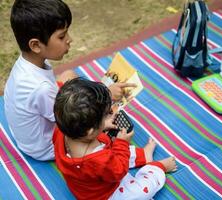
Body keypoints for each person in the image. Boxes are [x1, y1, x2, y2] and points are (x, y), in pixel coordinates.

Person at [4, 0, 135, 161]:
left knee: (69, 74)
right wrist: (106, 95)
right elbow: (75, 118)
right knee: (96, 133)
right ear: (36, 45)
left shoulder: (28, 63)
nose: (69, 39)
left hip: (30, 135)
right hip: (46, 148)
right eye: (62, 36)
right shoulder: (41, 88)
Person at [53, 77, 177, 200]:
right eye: (105, 117)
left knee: (113, 148)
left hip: (86, 186)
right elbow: (119, 171)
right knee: (141, 192)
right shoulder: (99, 159)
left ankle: (144, 155)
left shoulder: (62, 130)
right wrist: (122, 143)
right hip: (105, 194)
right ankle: (157, 169)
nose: (108, 116)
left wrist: (102, 126)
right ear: (90, 131)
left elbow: (99, 151)